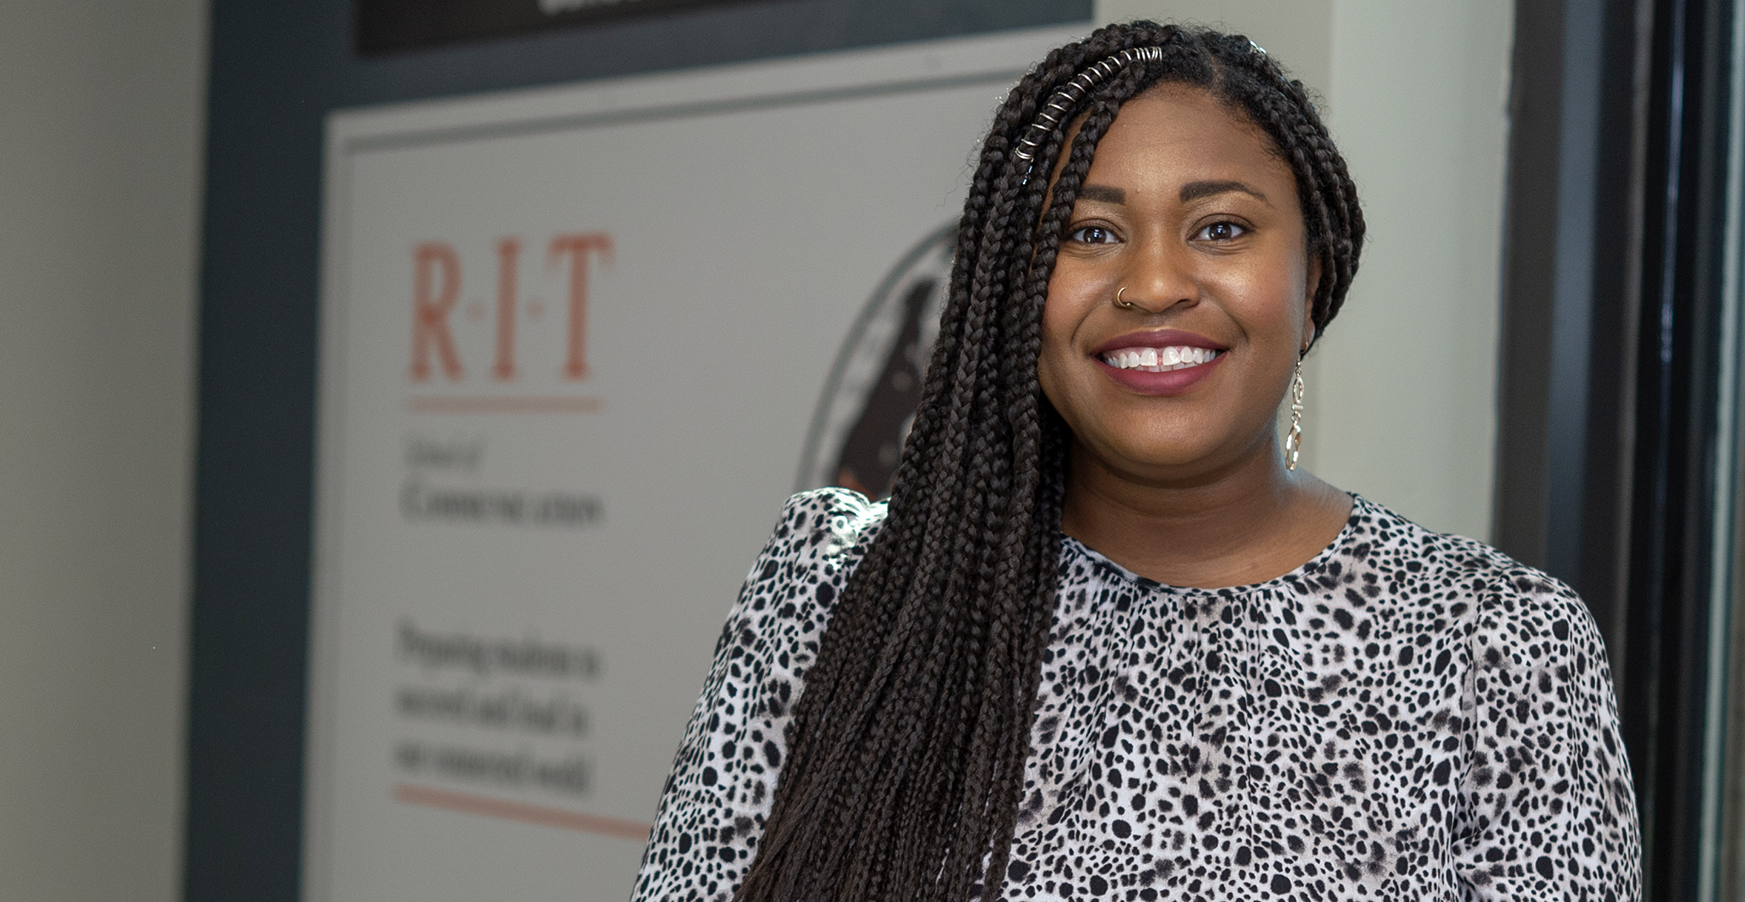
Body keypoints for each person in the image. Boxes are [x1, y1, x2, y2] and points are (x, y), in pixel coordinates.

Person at [633, 21, 1640, 902]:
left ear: (1312, 274)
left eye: (1220, 227)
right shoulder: (836, 600)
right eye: (1086, 231)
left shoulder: (1497, 649)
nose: (1152, 282)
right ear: (1012, 288)